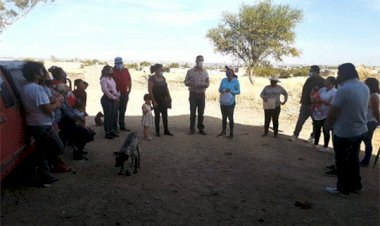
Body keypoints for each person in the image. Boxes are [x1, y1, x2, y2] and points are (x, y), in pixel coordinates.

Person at [325, 63, 369, 196]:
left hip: (344, 131)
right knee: (354, 159)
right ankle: (356, 186)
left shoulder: (343, 89)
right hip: (360, 129)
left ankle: (342, 189)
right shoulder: (364, 86)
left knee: (342, 161)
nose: (338, 76)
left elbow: (333, 111)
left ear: (343, 74)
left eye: (339, 73)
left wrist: (329, 125)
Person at [21, 61, 67, 185]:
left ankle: (45, 175)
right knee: (56, 147)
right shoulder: (37, 89)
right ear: (36, 74)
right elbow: (47, 109)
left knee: (43, 150)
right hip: (42, 124)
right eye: (42, 71)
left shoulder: (26, 87)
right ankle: (45, 174)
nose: (44, 73)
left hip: (34, 123)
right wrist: (58, 103)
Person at [289, 65, 325, 142]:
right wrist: (302, 101)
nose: (310, 72)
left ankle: (313, 137)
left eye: (311, 71)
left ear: (316, 72)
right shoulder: (308, 80)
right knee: (300, 120)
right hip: (305, 104)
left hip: (315, 106)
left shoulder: (322, 82)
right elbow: (304, 91)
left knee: (315, 122)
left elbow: (323, 94)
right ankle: (295, 134)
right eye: (310, 71)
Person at [184, 55, 209, 135]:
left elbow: (208, 82)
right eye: (200, 60)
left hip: (201, 94)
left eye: (202, 60)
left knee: (201, 113)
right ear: (196, 61)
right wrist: (190, 83)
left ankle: (201, 128)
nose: (201, 62)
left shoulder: (205, 72)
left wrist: (206, 85)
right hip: (193, 94)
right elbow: (185, 82)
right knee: (193, 112)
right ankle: (192, 129)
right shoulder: (190, 71)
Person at [312, 77, 337, 152]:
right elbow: (317, 96)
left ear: (331, 83)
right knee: (317, 128)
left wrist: (321, 101)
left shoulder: (335, 92)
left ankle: (325, 146)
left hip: (327, 114)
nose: (325, 81)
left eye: (327, 81)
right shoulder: (322, 89)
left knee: (326, 130)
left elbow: (333, 104)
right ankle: (316, 143)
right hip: (318, 112)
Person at [148, 64, 173, 136]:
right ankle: (157, 131)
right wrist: (153, 101)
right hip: (156, 100)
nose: (162, 71)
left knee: (165, 116)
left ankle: (166, 130)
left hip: (164, 99)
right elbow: (150, 91)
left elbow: (166, 88)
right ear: (156, 70)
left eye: (162, 69)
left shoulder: (163, 78)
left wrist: (169, 97)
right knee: (157, 116)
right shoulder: (151, 79)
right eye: (161, 69)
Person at [360, 78, 380, 167]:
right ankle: (365, 160)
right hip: (368, 121)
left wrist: (379, 121)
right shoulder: (373, 95)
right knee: (366, 140)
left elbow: (375, 111)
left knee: (367, 141)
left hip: (370, 121)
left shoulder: (374, 96)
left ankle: (366, 161)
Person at [217, 66, 240, 138]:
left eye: (229, 71)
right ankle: (223, 131)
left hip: (230, 103)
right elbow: (219, 89)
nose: (227, 73)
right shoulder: (223, 80)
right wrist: (222, 90)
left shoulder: (236, 81)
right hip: (223, 102)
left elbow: (238, 91)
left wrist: (231, 91)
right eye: (226, 71)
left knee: (230, 118)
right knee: (223, 118)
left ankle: (231, 133)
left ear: (232, 72)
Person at [100, 65, 120, 139]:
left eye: (112, 70)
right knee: (108, 116)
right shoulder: (103, 79)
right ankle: (107, 132)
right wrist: (114, 98)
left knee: (113, 116)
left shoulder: (111, 79)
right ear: (106, 71)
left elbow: (113, 89)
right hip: (107, 99)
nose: (112, 72)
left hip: (113, 99)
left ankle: (111, 130)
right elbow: (105, 91)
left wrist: (117, 95)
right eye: (110, 71)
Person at [112, 57, 132, 131]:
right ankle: (114, 127)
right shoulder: (112, 71)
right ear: (115, 64)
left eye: (120, 63)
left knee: (123, 110)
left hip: (125, 94)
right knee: (115, 111)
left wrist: (129, 89)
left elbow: (129, 80)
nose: (119, 64)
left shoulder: (126, 70)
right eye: (118, 63)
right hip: (116, 95)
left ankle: (122, 125)